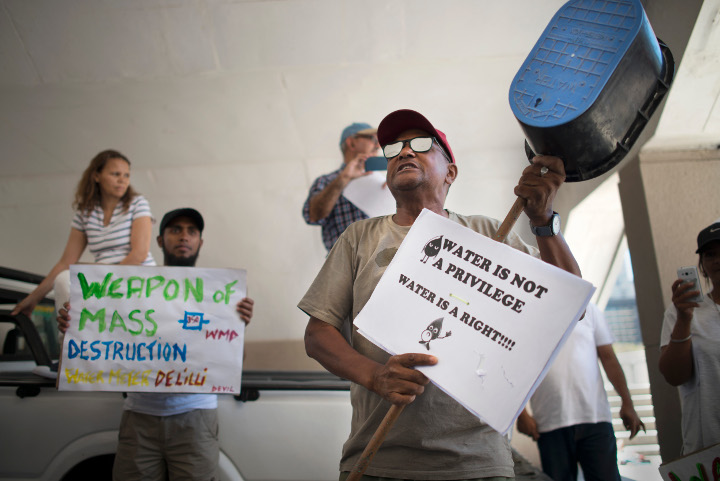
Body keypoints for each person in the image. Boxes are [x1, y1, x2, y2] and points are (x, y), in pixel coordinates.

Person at [298, 109, 582, 480]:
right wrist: (375, 376)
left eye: (420, 144)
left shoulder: (489, 232)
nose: (404, 152)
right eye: (394, 148)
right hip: (379, 461)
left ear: (450, 172)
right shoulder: (358, 238)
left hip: (478, 462)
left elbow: (567, 306)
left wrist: (544, 221)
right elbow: (318, 336)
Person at [58, 207, 255, 481]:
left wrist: (237, 327)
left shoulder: (220, 296)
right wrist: (73, 323)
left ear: (200, 241)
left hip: (196, 418)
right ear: (160, 240)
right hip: (139, 417)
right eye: (175, 230)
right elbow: (96, 330)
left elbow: (234, 364)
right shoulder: (129, 288)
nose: (184, 236)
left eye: (192, 231)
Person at [12, 150, 155, 318]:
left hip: (136, 280)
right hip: (104, 282)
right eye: (115, 174)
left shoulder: (138, 203)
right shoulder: (85, 213)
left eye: (126, 175)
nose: (122, 180)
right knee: (64, 279)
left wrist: (104, 285)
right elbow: (66, 262)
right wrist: (33, 298)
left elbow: (139, 253)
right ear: (96, 176)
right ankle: (66, 340)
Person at [516, 302, 645, 481]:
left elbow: (609, 358)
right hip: (550, 422)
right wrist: (521, 414)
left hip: (595, 418)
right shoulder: (526, 311)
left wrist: (628, 403)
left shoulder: (589, 309)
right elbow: (514, 364)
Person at [659, 220, 720, 454]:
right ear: (701, 265)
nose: (717, 260)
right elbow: (674, 376)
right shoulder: (682, 311)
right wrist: (685, 319)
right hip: (707, 448)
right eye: (710, 254)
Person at [303, 122, 381, 250]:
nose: (378, 146)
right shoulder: (326, 181)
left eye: (379, 141)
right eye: (373, 140)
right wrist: (344, 179)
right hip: (347, 265)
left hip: (384, 263)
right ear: (351, 143)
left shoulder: (384, 181)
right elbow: (312, 217)